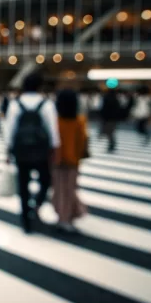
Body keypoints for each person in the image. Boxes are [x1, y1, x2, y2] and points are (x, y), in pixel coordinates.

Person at [3, 73, 60, 234]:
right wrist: (54, 149)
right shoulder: (46, 104)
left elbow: (10, 129)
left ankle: (26, 221)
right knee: (45, 180)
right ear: (39, 87)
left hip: (21, 150)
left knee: (23, 184)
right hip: (41, 150)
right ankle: (37, 204)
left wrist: (8, 150)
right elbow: (52, 128)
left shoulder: (15, 104)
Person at [52, 89, 88, 233]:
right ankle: (68, 217)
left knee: (59, 189)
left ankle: (63, 216)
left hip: (57, 160)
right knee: (70, 189)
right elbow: (83, 141)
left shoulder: (56, 120)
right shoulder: (79, 120)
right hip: (73, 161)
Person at [100, 88, 122, 153]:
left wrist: (102, 117)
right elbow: (118, 109)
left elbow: (103, 108)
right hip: (114, 118)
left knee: (108, 132)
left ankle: (111, 144)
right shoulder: (116, 99)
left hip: (107, 118)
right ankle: (112, 144)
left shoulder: (106, 98)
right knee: (111, 131)